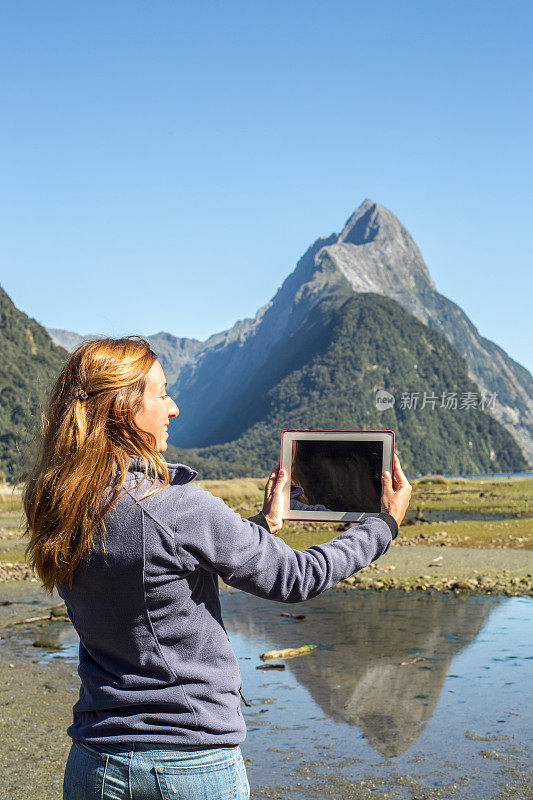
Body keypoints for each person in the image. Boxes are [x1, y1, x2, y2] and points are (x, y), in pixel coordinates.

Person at [24, 336, 412, 800]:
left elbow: (160, 568)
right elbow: (295, 577)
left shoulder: (65, 505)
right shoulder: (174, 506)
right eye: (162, 393)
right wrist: (382, 525)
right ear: (125, 407)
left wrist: (263, 525)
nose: (174, 408)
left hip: (95, 762)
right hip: (186, 762)